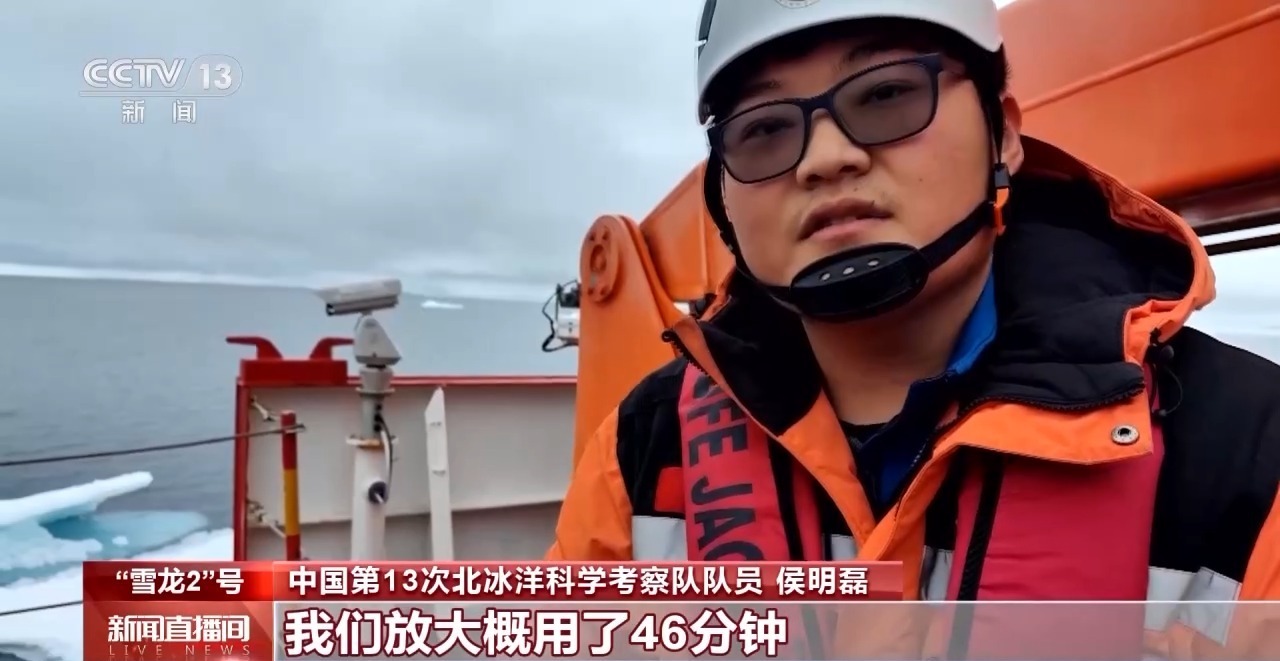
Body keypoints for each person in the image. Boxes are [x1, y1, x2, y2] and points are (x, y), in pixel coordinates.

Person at [549, 0, 1280, 656]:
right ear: (724, 197)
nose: (826, 159)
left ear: (1004, 135)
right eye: (765, 130)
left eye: (887, 94)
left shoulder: (1250, 455)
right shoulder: (641, 447)